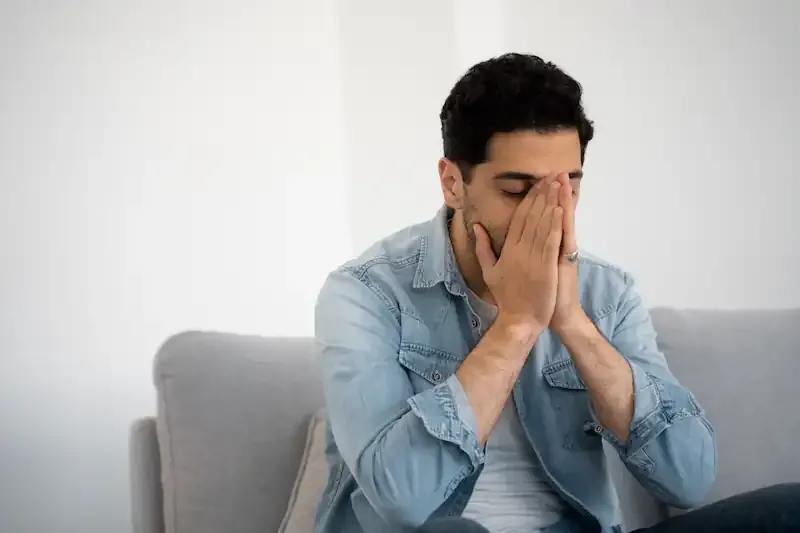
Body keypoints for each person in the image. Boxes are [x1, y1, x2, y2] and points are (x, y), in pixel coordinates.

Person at [313, 53, 800, 533]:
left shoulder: (607, 292)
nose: (547, 215)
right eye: (517, 190)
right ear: (453, 184)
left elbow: (690, 480)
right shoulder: (365, 293)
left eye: (567, 188)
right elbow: (403, 500)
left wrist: (570, 320)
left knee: (788, 509)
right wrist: (517, 326)